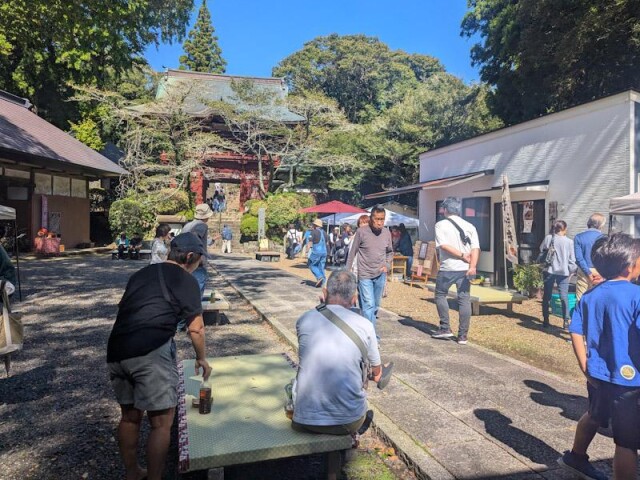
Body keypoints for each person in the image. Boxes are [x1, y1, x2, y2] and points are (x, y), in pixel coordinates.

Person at [107, 232, 212, 480]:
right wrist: (201, 358)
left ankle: (132, 472)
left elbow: (123, 306)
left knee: (130, 418)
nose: (199, 265)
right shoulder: (186, 280)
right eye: (199, 260)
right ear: (189, 257)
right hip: (151, 351)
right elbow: (196, 327)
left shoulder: (141, 274)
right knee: (161, 423)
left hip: (116, 349)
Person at [562, 233, 640, 480]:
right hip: (630, 381)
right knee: (627, 442)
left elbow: (575, 330)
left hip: (596, 374)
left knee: (595, 414)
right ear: (630, 266)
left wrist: (585, 365)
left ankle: (576, 456)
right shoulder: (636, 296)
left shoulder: (590, 295)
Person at [292, 270, 392, 439]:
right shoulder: (365, 325)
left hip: (304, 419)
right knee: (376, 372)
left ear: (324, 293)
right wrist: (375, 374)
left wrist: (322, 306)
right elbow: (377, 371)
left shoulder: (304, 320)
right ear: (354, 298)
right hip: (348, 422)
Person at [431, 197, 480, 345]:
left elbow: (443, 245)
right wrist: (472, 266)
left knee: (440, 295)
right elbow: (476, 248)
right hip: (465, 269)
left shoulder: (440, 225)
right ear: (459, 210)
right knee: (464, 299)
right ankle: (463, 336)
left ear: (445, 209)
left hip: (448, 267)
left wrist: (461, 255)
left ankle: (445, 327)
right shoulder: (470, 226)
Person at [346, 206, 393, 338]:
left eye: (382, 219)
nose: (379, 222)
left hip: (380, 274)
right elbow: (352, 252)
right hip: (364, 274)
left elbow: (390, 252)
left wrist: (387, 265)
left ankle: (363, 329)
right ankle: (371, 337)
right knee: (369, 305)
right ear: (371, 218)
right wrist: (346, 271)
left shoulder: (386, 233)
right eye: (377, 219)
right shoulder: (362, 232)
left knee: (375, 306)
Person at [540, 220, 577, 329]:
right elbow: (572, 260)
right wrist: (571, 272)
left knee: (547, 296)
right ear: (564, 229)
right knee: (564, 296)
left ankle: (546, 320)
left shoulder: (548, 238)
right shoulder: (569, 242)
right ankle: (566, 320)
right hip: (564, 272)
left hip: (549, 271)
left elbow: (541, 249)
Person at [182, 203, 214, 297]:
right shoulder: (202, 225)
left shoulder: (188, 225)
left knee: (187, 290)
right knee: (197, 291)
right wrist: (199, 258)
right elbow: (195, 239)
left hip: (185, 261)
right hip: (197, 262)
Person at [574, 213, 605, 301]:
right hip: (599, 270)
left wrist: (588, 272)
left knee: (581, 298)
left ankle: (581, 314)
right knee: (597, 298)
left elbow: (579, 258)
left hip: (584, 269)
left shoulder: (579, 237)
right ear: (601, 225)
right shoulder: (604, 238)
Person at [307, 219, 328, 288]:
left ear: (315, 225)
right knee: (321, 266)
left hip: (316, 251)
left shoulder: (313, 232)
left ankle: (319, 277)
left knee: (311, 264)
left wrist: (307, 250)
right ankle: (323, 283)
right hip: (324, 252)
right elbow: (327, 242)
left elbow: (310, 242)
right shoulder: (325, 233)